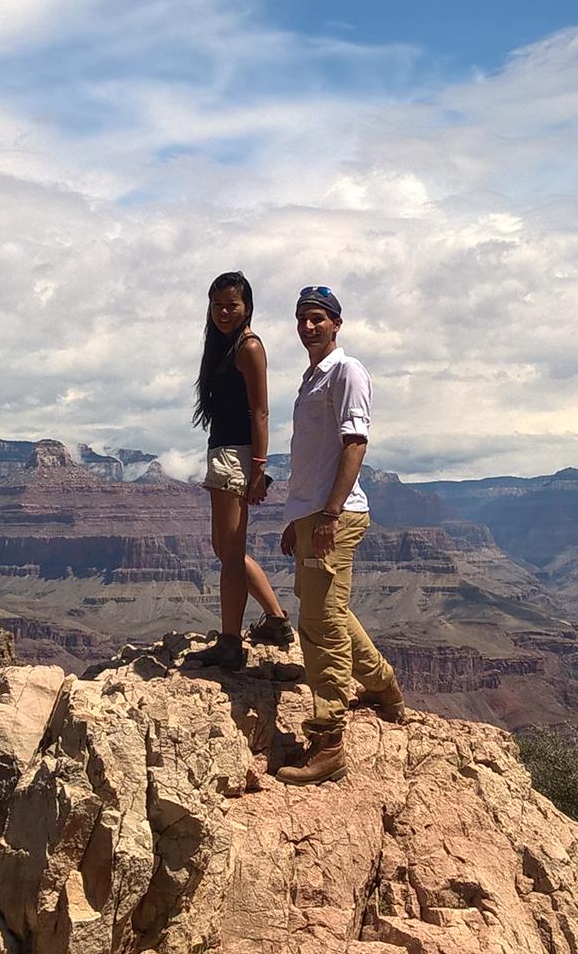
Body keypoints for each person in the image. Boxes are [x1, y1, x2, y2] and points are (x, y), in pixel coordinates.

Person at [276, 285, 403, 785]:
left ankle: (329, 742)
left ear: (336, 323)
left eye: (317, 318)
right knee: (329, 610)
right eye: (302, 319)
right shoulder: (312, 377)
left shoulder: (347, 372)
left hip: (335, 516)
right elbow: (312, 457)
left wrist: (328, 515)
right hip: (312, 516)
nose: (308, 327)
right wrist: (297, 518)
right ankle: (383, 687)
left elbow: (355, 443)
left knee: (320, 623)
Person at [188, 271, 292, 671]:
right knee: (225, 550)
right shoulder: (224, 345)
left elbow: (260, 411)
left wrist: (258, 469)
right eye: (217, 306)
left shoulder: (248, 347)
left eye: (232, 305)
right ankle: (277, 620)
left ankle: (230, 643)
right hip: (223, 451)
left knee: (230, 557)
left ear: (247, 305)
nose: (224, 312)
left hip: (237, 455)